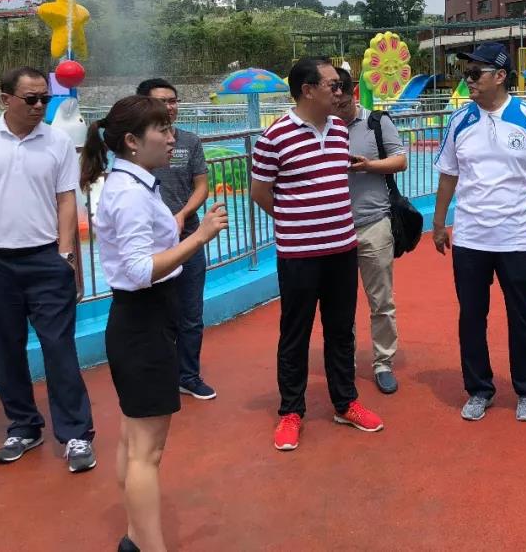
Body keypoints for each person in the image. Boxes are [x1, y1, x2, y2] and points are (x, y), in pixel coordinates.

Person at [82, 95, 228, 552]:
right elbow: (140, 269)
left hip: (142, 319)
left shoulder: (132, 184)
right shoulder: (128, 193)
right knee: (147, 451)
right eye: (161, 130)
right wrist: (199, 236)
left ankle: (135, 536)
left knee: (133, 440)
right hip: (143, 321)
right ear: (131, 141)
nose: (171, 138)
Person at [0, 66, 96, 472]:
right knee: (6, 349)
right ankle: (24, 426)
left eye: (45, 98)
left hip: (46, 259)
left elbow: (67, 200)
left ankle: (76, 433)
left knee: (59, 348)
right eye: (31, 99)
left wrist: (66, 255)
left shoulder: (58, 141)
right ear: (5, 99)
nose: (40, 105)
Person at [251, 57, 384, 451]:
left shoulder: (340, 130)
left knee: (341, 330)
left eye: (341, 86)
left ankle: (345, 402)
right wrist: (296, 221)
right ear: (307, 90)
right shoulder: (274, 137)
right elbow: (260, 193)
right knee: (296, 333)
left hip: (342, 248)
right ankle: (291, 411)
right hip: (299, 255)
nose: (340, 92)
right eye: (333, 85)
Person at [433, 43, 526, 423]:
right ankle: (479, 389)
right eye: (466, 73)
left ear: (501, 76)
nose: (468, 80)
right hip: (471, 238)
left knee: (523, 316)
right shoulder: (460, 120)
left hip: (518, 238)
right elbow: (448, 175)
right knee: (471, 317)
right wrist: (439, 224)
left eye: (476, 73)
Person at [136, 78, 214, 401]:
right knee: (153, 312)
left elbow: (201, 185)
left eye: (173, 100)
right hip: (150, 242)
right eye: (162, 101)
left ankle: (188, 375)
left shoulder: (189, 141)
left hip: (188, 235)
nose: (170, 107)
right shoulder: (135, 145)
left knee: (191, 313)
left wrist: (182, 214)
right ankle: (157, 374)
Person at [333, 68, 407, 395]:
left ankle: (383, 361)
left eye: (342, 94)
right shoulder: (322, 127)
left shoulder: (375, 122)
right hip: (335, 229)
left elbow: (400, 160)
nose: (337, 101)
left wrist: (368, 166)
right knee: (340, 302)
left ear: (352, 92)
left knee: (381, 300)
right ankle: (344, 362)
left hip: (373, 223)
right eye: (332, 95)